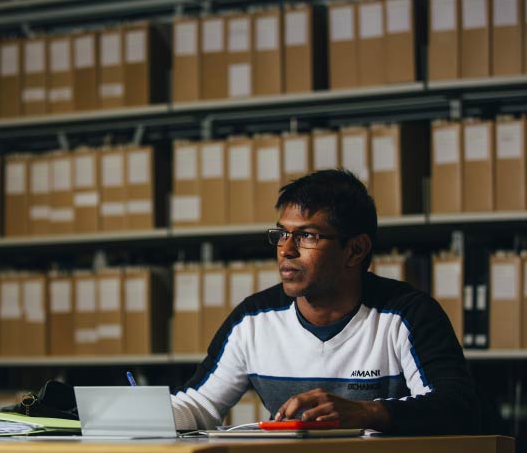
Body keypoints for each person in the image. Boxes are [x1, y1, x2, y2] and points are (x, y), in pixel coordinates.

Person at [170, 169, 482, 435]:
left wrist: (366, 412)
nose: (286, 250)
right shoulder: (253, 318)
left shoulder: (408, 314)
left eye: (307, 236)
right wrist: (131, 411)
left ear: (356, 250)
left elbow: (456, 404)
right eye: (281, 234)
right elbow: (198, 406)